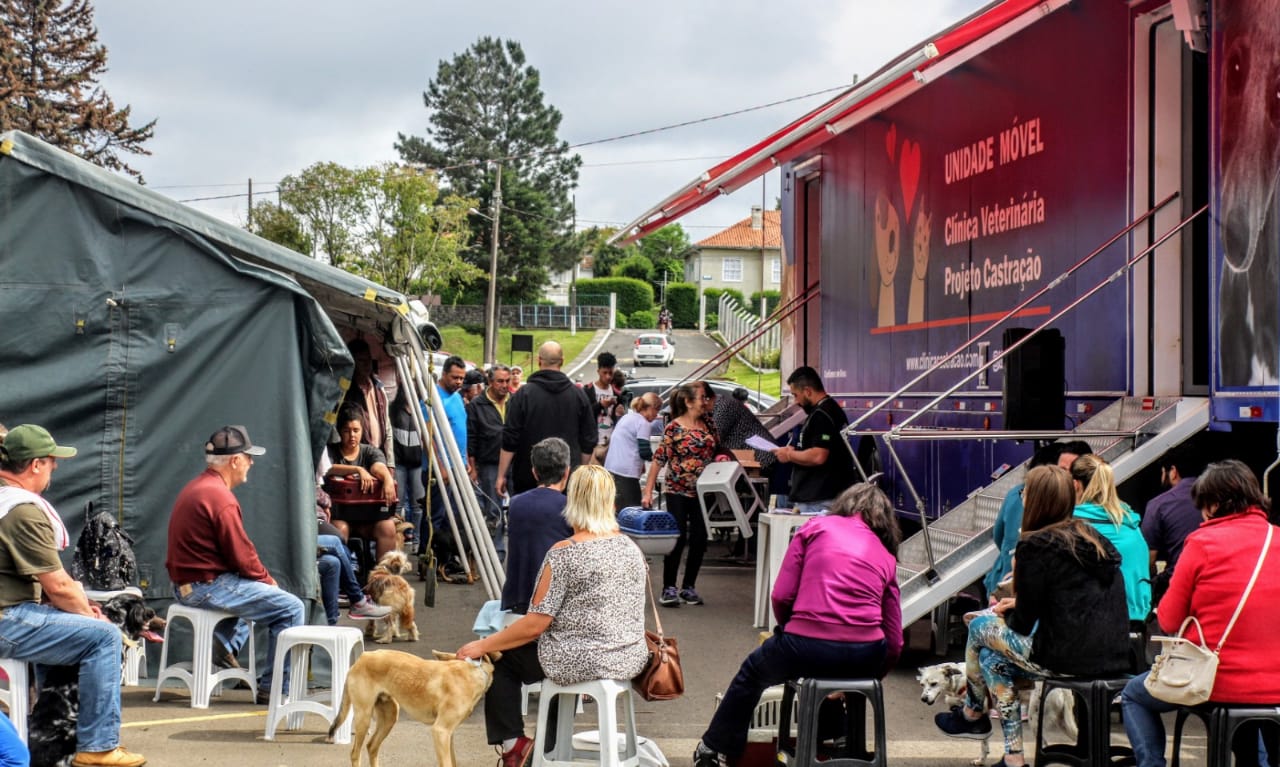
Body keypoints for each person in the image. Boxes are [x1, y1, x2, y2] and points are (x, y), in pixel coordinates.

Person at [692, 482, 903, 767]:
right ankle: (841, 742)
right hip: (866, 651)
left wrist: (791, 629)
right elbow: (894, 637)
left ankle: (712, 748)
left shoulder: (815, 527)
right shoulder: (886, 555)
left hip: (806, 644)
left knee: (753, 674)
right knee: (832, 674)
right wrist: (873, 675)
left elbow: (781, 595)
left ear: (844, 505)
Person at [935, 465, 1131, 767]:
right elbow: (1071, 599)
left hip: (1065, 658)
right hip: (1114, 654)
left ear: (1035, 499)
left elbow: (1024, 624)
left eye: (1025, 492)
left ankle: (972, 713)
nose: (1021, 496)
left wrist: (1007, 610)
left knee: (979, 626)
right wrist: (1019, 603)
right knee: (991, 660)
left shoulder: (1035, 546)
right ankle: (1013, 758)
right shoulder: (1092, 539)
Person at [457, 465, 648, 767]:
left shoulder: (564, 553)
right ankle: (548, 747)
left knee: (501, 660)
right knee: (561, 662)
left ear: (573, 502)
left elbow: (535, 624)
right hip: (628, 656)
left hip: (581, 658)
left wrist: (483, 645)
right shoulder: (630, 548)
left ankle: (515, 746)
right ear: (611, 502)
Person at [0, 424, 146, 767]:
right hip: (7, 617)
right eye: (52, 461)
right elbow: (59, 587)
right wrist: (88, 612)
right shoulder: (21, 509)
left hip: (11, 610)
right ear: (35, 464)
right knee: (105, 636)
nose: (56, 468)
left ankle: (51, 735)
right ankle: (98, 747)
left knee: (73, 625)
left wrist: (76, 609)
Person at [1122, 460, 1280, 767]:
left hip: (1215, 681)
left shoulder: (1202, 543)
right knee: (1250, 725)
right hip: (1276, 686)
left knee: (1134, 694)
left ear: (1215, 504)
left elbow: (1167, 620)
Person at [166, 425, 306, 707]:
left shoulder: (199, 486)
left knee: (254, 594)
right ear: (235, 460)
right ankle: (276, 689)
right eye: (248, 457)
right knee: (291, 607)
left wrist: (259, 582)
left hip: (186, 585)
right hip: (205, 587)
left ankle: (225, 646)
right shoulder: (220, 498)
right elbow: (243, 557)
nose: (251, 463)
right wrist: (268, 581)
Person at [643, 382, 723, 607]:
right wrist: (648, 491)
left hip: (703, 491)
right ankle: (669, 588)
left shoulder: (709, 424)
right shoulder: (674, 428)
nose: (705, 401)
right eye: (701, 398)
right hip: (677, 490)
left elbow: (717, 450)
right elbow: (659, 460)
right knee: (677, 538)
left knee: (699, 539)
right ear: (688, 402)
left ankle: (689, 586)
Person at [983, 440, 1092, 600]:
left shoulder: (1015, 494)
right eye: (1062, 470)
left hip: (1005, 588)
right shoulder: (1065, 520)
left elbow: (998, 535)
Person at [496, 341, 597, 497]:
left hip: (528, 479)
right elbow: (588, 440)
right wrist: (580, 472)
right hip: (567, 480)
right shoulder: (578, 396)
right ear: (562, 361)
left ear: (539, 361)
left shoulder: (523, 396)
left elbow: (510, 439)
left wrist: (501, 475)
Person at [1070, 453, 1152, 624]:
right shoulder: (1130, 523)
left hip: (1097, 624)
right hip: (1138, 621)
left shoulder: (1073, 526)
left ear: (1076, 485)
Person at [771, 367, 854, 514]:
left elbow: (818, 455)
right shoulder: (827, 410)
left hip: (820, 498)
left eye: (796, 395)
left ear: (808, 391)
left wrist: (789, 455)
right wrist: (795, 451)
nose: (796, 401)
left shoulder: (822, 415)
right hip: (820, 495)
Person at [326, 407, 400, 560]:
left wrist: (387, 479)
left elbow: (378, 466)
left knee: (388, 527)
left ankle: (382, 578)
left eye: (356, 430)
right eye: (347, 431)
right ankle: (346, 580)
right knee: (339, 529)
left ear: (362, 431)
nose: (352, 435)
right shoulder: (331, 451)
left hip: (369, 519)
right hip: (340, 517)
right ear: (339, 431)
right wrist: (357, 469)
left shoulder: (370, 452)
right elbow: (328, 468)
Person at [1141, 446, 1205, 603]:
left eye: (1163, 472)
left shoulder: (1159, 505)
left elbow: (1149, 557)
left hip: (1178, 585)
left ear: (1173, 471)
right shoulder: (1216, 499)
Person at [468, 364, 512, 561]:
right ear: (490, 382)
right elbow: (472, 436)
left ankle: (517, 551)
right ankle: (496, 553)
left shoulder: (516, 401)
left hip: (514, 461)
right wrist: (473, 465)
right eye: (500, 381)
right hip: (489, 463)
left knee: (518, 506)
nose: (504, 385)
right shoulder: (477, 405)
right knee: (493, 509)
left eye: (507, 381)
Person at [604, 392, 663, 511]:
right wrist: (659, 458)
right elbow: (644, 451)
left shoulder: (627, 417)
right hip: (627, 474)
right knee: (632, 511)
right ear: (652, 408)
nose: (657, 415)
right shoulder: (643, 423)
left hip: (610, 469)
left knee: (614, 509)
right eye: (657, 411)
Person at [343, 339, 394, 465]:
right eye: (361, 361)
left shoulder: (378, 387)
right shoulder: (346, 390)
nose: (367, 364)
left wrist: (390, 462)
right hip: (356, 456)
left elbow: (386, 426)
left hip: (378, 454)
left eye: (368, 360)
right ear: (353, 363)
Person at [389, 384, 424, 543]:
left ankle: (415, 538)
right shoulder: (394, 409)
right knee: (398, 502)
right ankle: (395, 537)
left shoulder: (423, 410)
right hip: (399, 462)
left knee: (418, 503)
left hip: (418, 462)